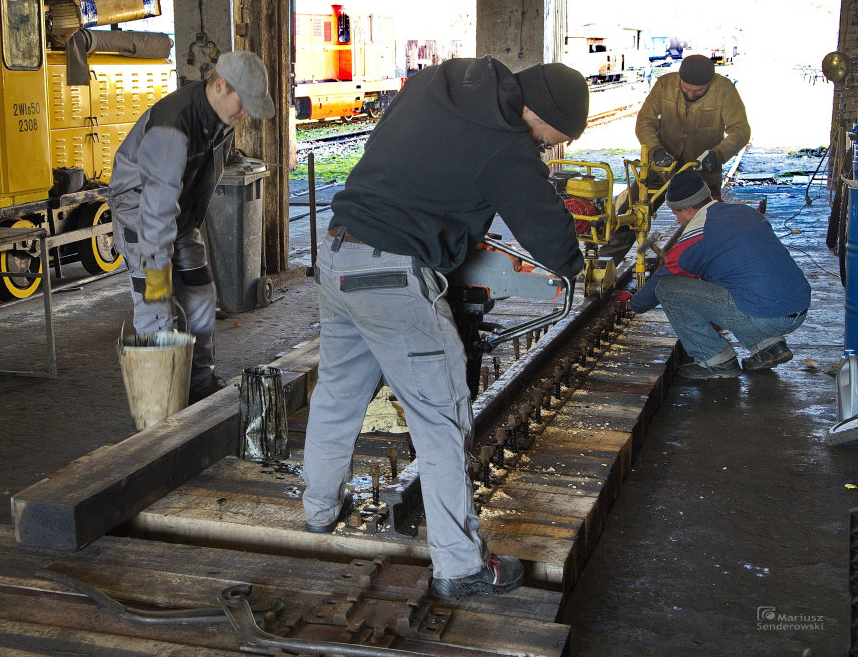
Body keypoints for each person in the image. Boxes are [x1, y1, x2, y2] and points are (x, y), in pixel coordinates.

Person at [300, 57, 587, 598]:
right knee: (440, 418)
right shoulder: (507, 145)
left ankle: (318, 512)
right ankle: (460, 567)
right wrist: (580, 263)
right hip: (393, 274)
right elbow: (547, 232)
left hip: (338, 251)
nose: (550, 149)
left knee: (338, 394)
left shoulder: (443, 80)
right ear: (540, 114)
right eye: (555, 139)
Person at [107, 51, 275, 404]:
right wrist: (157, 273)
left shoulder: (220, 119)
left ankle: (198, 385)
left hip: (178, 217)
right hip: (143, 218)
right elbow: (155, 210)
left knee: (199, 294)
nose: (245, 112)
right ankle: (160, 407)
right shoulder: (172, 127)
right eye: (243, 103)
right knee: (158, 308)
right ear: (220, 85)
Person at [615, 170, 810, 379]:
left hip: (767, 316)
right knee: (733, 282)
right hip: (798, 306)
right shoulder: (744, 212)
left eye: (676, 214)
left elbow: (663, 279)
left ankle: (716, 360)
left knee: (668, 289)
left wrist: (633, 303)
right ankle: (768, 347)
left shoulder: (697, 233)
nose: (678, 220)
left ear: (689, 209)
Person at [602, 54, 751, 263]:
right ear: (679, 78)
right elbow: (645, 121)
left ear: (710, 83)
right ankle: (605, 263)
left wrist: (717, 154)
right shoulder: (664, 84)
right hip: (660, 168)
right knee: (630, 213)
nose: (691, 93)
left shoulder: (725, 89)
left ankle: (702, 267)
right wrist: (655, 149)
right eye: (686, 88)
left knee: (707, 225)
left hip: (702, 173)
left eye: (698, 91)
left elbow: (740, 130)